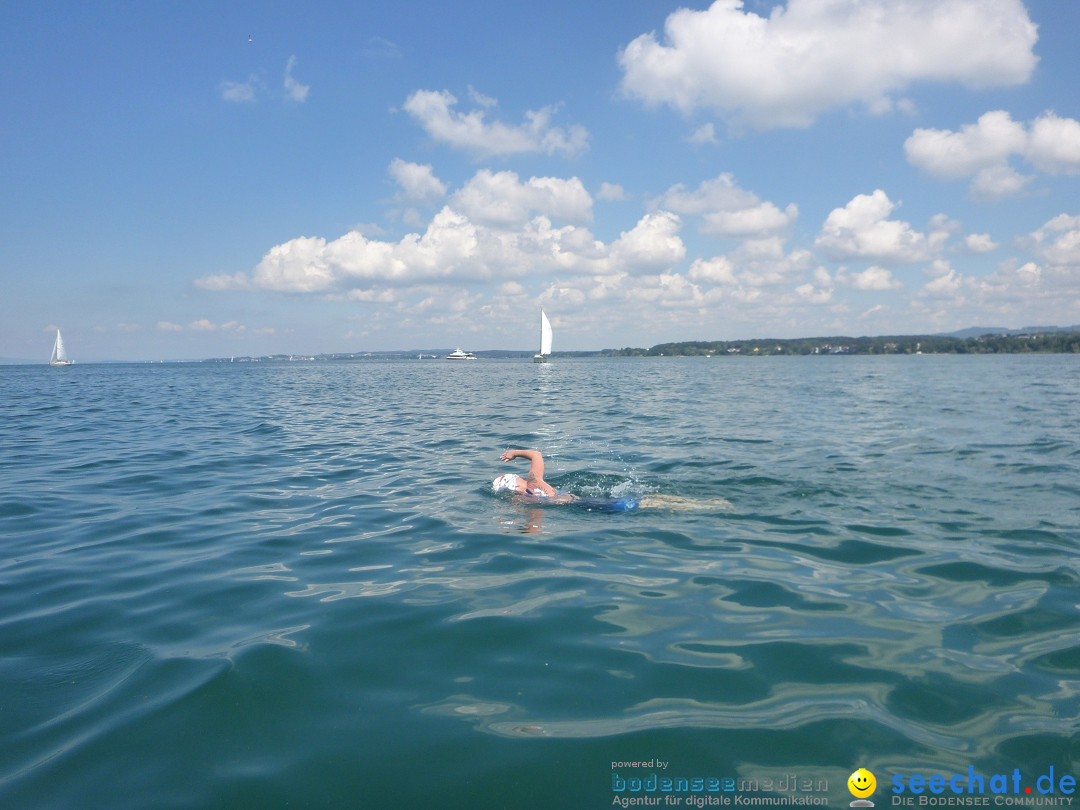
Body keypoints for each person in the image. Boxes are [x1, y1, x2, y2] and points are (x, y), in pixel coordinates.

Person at [492, 449, 733, 512]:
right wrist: (514, 452)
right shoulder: (535, 481)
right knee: (644, 499)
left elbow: (535, 530)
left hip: (589, 507)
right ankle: (707, 502)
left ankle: (705, 505)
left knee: (643, 504)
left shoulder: (529, 497)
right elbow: (536, 454)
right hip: (586, 498)